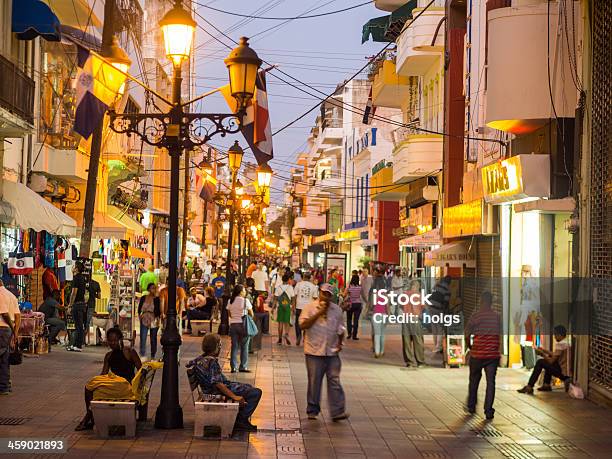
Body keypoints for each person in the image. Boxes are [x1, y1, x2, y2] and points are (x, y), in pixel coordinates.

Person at [187, 333, 262, 431]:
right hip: (215, 393)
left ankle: (238, 417)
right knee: (255, 392)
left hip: (209, 390)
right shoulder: (212, 362)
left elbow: (190, 364)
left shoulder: (201, 359)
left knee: (248, 387)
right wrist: (234, 397)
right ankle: (241, 419)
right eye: (220, 345)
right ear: (216, 347)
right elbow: (218, 384)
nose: (221, 348)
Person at [299, 283, 349, 422]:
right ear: (319, 292)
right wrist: (319, 313)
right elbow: (303, 325)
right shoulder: (309, 308)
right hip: (314, 351)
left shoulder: (337, 310)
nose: (326, 297)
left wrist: (340, 342)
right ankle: (312, 409)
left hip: (331, 351)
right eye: (324, 293)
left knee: (334, 380)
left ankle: (337, 411)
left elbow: (340, 328)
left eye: (328, 295)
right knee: (314, 381)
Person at [75, 327, 142, 430]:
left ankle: (88, 417)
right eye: (110, 340)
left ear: (120, 339)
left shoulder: (129, 351)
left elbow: (140, 370)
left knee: (94, 387)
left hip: (126, 386)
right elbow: (104, 374)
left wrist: (138, 386)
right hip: (113, 384)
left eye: (115, 340)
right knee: (89, 388)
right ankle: (90, 414)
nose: (112, 343)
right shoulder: (108, 355)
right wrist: (97, 383)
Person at [465, 291, 501, 420]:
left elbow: (467, 333)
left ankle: (471, 405)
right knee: (491, 383)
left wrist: (470, 346)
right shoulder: (497, 316)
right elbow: (499, 334)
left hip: (477, 354)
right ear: (491, 302)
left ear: (481, 301)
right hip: (492, 355)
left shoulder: (476, 316)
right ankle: (488, 410)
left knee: (474, 380)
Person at [517, 325, 572, 394]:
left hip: (563, 374)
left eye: (555, 335)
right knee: (546, 361)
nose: (554, 337)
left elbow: (551, 361)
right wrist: (544, 350)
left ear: (560, 335)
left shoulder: (561, 344)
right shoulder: (567, 342)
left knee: (540, 362)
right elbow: (555, 354)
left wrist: (542, 354)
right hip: (566, 371)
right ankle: (546, 385)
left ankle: (529, 386)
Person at [227, 284, 254, 373]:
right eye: (244, 291)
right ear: (241, 292)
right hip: (243, 325)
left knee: (234, 346)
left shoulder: (230, 301)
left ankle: (233, 367)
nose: (245, 292)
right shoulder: (246, 301)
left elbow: (229, 314)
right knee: (244, 346)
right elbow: (251, 314)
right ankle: (243, 366)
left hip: (233, 325)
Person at [0, 279, 19, 395]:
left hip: (2, 328)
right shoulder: (12, 296)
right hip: (7, 330)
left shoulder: (1, 294)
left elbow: (4, 313)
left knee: (3, 358)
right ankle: (5, 385)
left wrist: (12, 327)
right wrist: (15, 332)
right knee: (4, 359)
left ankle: (4, 386)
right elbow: (18, 316)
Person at [402, 279, 425, 367]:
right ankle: (420, 362)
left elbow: (401, 305)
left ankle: (409, 362)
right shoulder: (419, 295)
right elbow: (423, 307)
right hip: (415, 318)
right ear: (417, 286)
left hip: (406, 319)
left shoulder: (404, 295)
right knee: (418, 340)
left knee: (406, 341)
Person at [67, 262, 88, 352]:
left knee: (78, 325)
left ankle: (78, 345)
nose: (72, 267)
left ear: (76, 268)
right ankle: (75, 344)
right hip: (81, 303)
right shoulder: (82, 278)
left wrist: (70, 305)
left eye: (74, 266)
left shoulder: (76, 278)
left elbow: (74, 292)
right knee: (78, 325)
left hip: (77, 304)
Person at [369, 269, 390, 358]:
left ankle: (377, 352)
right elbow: (387, 307)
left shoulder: (374, 294)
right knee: (382, 333)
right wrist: (389, 316)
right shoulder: (385, 294)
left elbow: (371, 306)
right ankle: (382, 351)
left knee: (377, 334)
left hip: (376, 315)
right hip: (384, 315)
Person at [293, 272, 318, 346]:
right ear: (310, 278)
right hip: (308, 308)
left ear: (303, 277)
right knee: (307, 323)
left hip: (299, 306)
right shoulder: (313, 286)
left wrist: (293, 306)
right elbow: (315, 298)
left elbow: (294, 296)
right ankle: (305, 337)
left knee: (298, 322)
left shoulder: (298, 284)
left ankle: (298, 335)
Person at [138, 283, 161, 359]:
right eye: (152, 288)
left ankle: (153, 354)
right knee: (143, 337)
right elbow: (139, 308)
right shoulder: (143, 298)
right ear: (148, 289)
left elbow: (158, 310)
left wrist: (157, 319)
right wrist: (140, 316)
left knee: (153, 338)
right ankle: (142, 354)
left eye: (155, 288)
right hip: (144, 318)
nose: (153, 290)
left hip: (153, 319)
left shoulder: (157, 299)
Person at [429, 275, 451, 353]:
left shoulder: (437, 285)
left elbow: (432, 293)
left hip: (431, 307)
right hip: (438, 309)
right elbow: (445, 302)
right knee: (440, 329)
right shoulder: (447, 290)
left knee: (434, 327)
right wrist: (445, 312)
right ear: (449, 282)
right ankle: (438, 347)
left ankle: (436, 345)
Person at [273, 274, 295, 345]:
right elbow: (293, 299)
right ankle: (286, 334)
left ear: (282, 280)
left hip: (280, 307)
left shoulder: (278, 288)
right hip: (288, 307)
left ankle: (279, 339)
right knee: (287, 322)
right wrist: (293, 308)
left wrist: (273, 308)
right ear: (288, 280)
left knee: (280, 323)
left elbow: (275, 299)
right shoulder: (290, 287)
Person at [344, 274, 362, 340]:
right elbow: (362, 295)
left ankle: (349, 334)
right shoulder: (360, 287)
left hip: (350, 304)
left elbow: (344, 294)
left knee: (349, 319)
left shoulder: (349, 286)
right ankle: (354, 335)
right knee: (356, 320)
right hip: (358, 304)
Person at [85, 277, 101, 345]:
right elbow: (99, 296)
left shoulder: (81, 282)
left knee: (82, 322)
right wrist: (94, 294)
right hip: (91, 304)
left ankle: (81, 339)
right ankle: (83, 339)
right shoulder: (96, 284)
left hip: (81, 305)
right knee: (87, 322)